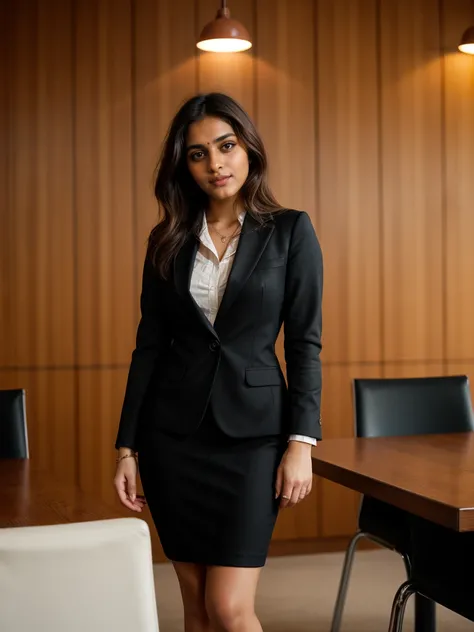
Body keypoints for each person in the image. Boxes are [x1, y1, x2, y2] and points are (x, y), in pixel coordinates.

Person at [114, 92, 323, 632]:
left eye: (226, 146)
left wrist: (301, 442)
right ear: (184, 166)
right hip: (172, 440)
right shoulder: (166, 241)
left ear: (248, 148)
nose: (216, 164)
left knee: (230, 608)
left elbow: (304, 342)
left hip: (253, 440)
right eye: (198, 153)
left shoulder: (291, 231)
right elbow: (149, 348)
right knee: (196, 607)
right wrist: (128, 446)